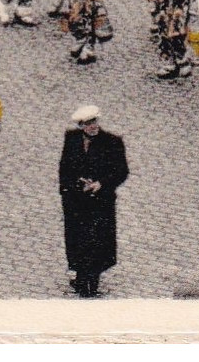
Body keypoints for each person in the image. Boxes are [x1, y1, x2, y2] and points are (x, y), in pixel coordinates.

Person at [59, 106, 129, 297]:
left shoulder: (112, 142)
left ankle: (92, 281)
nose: (93, 127)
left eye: (95, 122)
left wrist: (101, 184)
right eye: (88, 123)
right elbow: (65, 168)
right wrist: (72, 187)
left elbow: (121, 171)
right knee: (78, 239)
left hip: (100, 203)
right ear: (81, 125)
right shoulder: (71, 138)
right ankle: (81, 276)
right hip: (76, 202)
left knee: (97, 241)